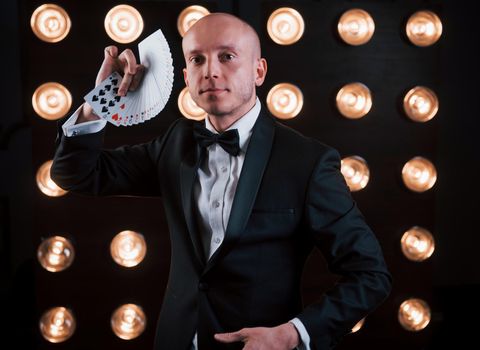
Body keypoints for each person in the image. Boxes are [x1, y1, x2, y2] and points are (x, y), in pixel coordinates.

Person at [51, 12, 392, 350]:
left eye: (227, 56)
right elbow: (75, 173)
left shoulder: (308, 162)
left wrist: (291, 335)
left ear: (259, 71)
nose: (211, 71)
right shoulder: (175, 143)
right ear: (186, 76)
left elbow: (370, 275)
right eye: (197, 59)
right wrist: (101, 100)